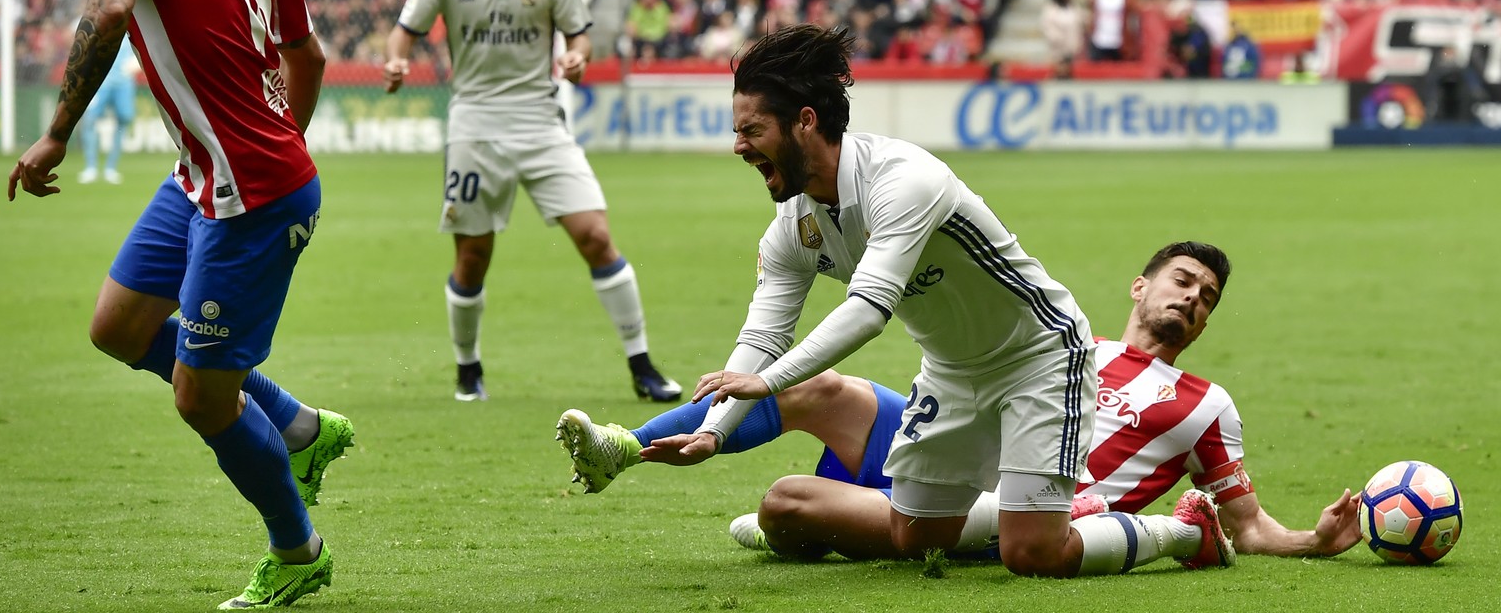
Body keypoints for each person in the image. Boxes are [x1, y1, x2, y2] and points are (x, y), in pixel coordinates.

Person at [566, 22, 1204, 580]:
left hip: (1039, 355)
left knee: (1033, 555)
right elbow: (760, 342)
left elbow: (869, 311)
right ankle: (1031, 509)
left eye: (752, 129)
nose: (739, 145)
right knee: (914, 537)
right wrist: (712, 433)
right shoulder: (794, 225)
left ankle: (1177, 533)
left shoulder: (904, 179)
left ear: (805, 122)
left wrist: (767, 384)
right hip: (953, 373)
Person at [7, 0, 352, 609]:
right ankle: (301, 429)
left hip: (252, 192)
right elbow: (308, 54)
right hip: (206, 176)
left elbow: (113, 2)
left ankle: (298, 550)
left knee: (201, 398)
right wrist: (273, 138)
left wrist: (57, 132)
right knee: (120, 327)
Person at [558, 242, 1364, 568]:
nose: (1192, 300)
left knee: (784, 504)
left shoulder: (1204, 403)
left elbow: (1246, 523)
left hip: (1014, 502)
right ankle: (620, 449)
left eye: (1207, 297)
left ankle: (820, 522)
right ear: (1141, 287)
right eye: (1183, 281)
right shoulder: (1067, 339)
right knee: (814, 389)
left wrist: (1313, 542)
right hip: (949, 435)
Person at [382, 0, 681, 404]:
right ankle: (467, 370)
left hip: (541, 121)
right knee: (472, 256)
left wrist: (577, 56)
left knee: (595, 235)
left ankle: (642, 365)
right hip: (474, 124)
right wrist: (397, 61)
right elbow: (406, 30)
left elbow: (580, 34)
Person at [78, 36, 139, 184]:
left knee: (123, 121)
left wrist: (136, 64)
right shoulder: (102, 25)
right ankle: (91, 167)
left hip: (124, 82)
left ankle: (111, 168)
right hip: (100, 82)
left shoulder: (133, 28)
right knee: (90, 120)